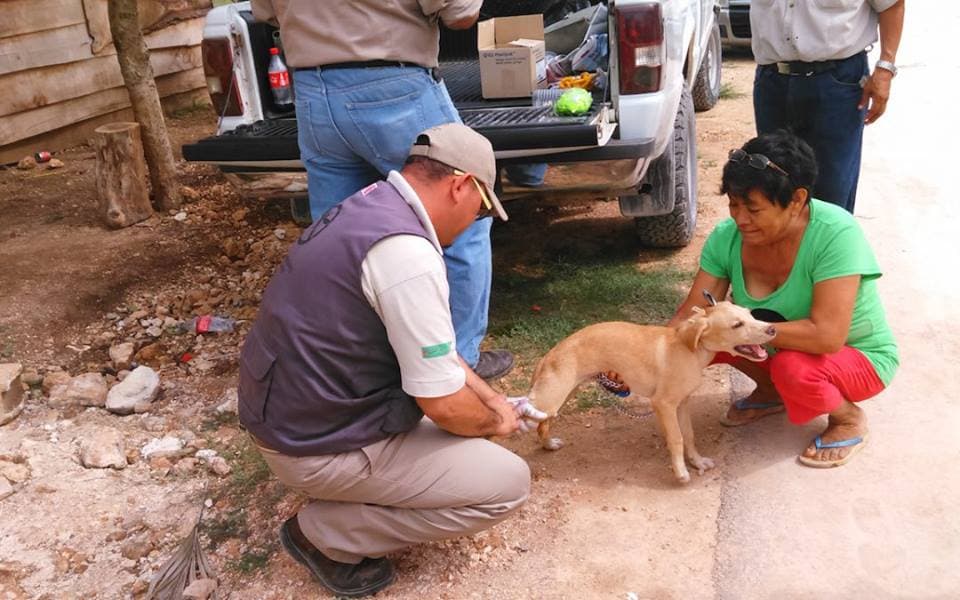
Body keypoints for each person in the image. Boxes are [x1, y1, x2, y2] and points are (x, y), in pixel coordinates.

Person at [238, 124, 544, 597]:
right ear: (461, 185)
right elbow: (442, 405)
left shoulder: (371, 206)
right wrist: (496, 423)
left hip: (292, 416)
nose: (476, 222)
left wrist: (492, 398)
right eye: (481, 209)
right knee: (504, 483)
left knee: (467, 431)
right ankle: (324, 534)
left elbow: (436, 350)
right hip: (315, 444)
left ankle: (345, 492)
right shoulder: (408, 255)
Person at [251, 0, 515, 380]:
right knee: (465, 214)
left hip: (313, 94)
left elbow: (268, 13)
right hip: (393, 85)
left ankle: (350, 370)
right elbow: (461, 16)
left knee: (337, 237)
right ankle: (458, 366)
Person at [604, 130, 898, 468]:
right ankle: (772, 392)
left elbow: (827, 336)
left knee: (791, 367)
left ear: (797, 200)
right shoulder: (726, 238)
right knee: (694, 340)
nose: (740, 219)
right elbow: (691, 316)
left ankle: (847, 418)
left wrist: (740, 329)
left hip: (857, 356)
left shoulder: (836, 234)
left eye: (754, 209)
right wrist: (632, 358)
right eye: (733, 204)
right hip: (782, 350)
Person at [750, 0, 905, 213]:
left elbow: (891, 5)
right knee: (774, 188)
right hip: (773, 82)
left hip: (836, 82)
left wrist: (885, 69)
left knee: (832, 194)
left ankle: (830, 246)